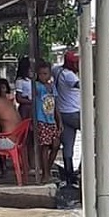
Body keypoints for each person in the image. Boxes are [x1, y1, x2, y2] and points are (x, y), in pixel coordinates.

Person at [54, 51, 81, 183]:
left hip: (62, 114)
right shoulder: (70, 76)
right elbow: (84, 86)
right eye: (76, 62)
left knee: (68, 145)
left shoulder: (57, 70)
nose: (78, 65)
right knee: (96, 135)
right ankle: (83, 167)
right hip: (74, 113)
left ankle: (69, 172)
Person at [34, 61, 62, 182]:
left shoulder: (52, 87)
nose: (43, 76)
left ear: (50, 74)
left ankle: (47, 170)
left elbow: (55, 105)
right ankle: (45, 174)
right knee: (44, 147)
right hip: (42, 120)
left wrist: (59, 121)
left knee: (56, 145)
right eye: (40, 74)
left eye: (45, 74)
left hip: (51, 121)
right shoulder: (37, 86)